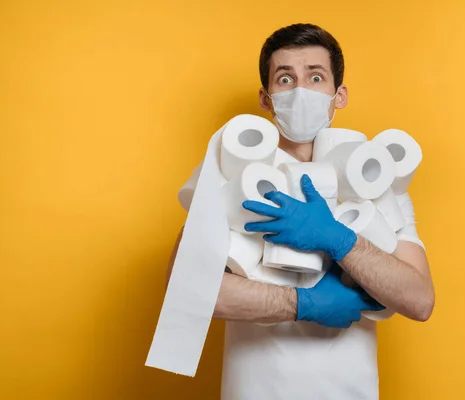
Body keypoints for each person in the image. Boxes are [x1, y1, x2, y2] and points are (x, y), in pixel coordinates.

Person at [168, 23, 435, 400]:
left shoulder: (375, 182)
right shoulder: (233, 174)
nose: (300, 91)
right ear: (266, 98)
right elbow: (189, 289)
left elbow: (420, 300)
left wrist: (340, 240)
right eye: (285, 79)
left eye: (315, 77)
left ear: (338, 94)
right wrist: (302, 304)